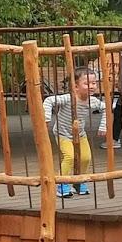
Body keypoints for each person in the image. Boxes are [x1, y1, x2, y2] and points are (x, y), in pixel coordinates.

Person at [43, 68, 107, 198]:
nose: (92, 86)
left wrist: (103, 126)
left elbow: (106, 107)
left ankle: (79, 181)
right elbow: (49, 100)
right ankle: (62, 183)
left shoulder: (92, 101)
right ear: (76, 86)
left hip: (80, 133)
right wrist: (47, 117)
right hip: (63, 133)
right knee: (69, 157)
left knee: (86, 158)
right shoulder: (68, 98)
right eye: (87, 83)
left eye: (94, 83)